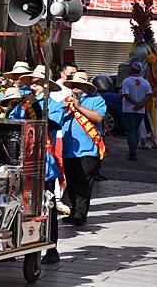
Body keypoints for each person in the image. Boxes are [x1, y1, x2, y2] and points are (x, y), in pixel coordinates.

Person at [19, 65, 64, 264]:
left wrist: (35, 108)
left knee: (48, 207)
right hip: (22, 162)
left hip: (44, 163)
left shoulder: (54, 104)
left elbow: (51, 124)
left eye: (38, 82)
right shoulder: (22, 102)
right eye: (32, 82)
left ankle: (52, 247)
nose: (34, 85)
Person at [61, 72, 106, 226]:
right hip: (68, 149)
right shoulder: (66, 101)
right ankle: (74, 211)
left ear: (86, 87)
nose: (76, 89)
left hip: (88, 149)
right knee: (71, 183)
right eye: (74, 86)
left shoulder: (96, 100)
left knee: (83, 183)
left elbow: (98, 118)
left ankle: (81, 214)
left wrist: (79, 107)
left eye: (79, 86)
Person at [49, 61, 78, 215]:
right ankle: (57, 199)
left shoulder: (74, 89)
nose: (72, 77)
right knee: (58, 164)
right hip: (59, 134)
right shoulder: (57, 90)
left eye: (74, 74)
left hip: (70, 135)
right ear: (62, 74)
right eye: (70, 74)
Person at [121, 62, 153, 161]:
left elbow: (125, 94)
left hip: (128, 110)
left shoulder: (126, 81)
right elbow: (149, 94)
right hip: (140, 111)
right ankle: (133, 150)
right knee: (135, 131)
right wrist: (141, 104)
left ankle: (132, 152)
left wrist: (135, 103)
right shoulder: (145, 82)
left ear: (132, 69)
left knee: (131, 131)